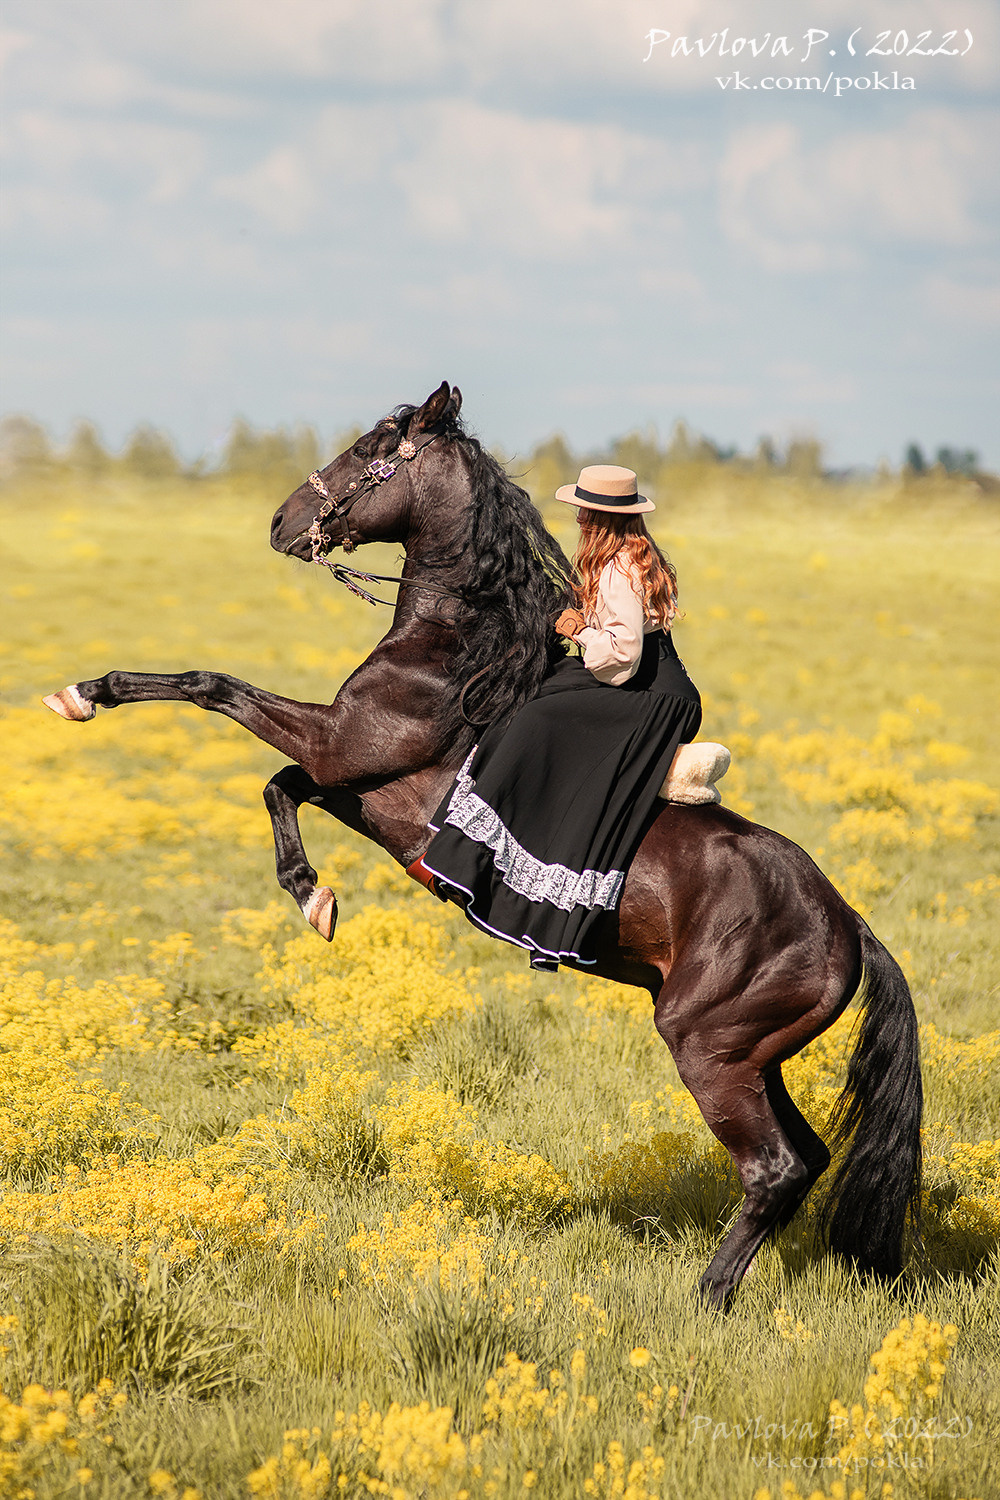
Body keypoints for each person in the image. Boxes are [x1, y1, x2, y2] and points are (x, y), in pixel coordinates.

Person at [422, 465, 703, 971]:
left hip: (647, 691)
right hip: (652, 682)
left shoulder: (618, 565)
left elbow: (622, 657)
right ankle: (469, 848)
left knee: (537, 719)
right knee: (538, 692)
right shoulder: (629, 554)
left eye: (582, 509)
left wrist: (578, 631)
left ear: (598, 517)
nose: (575, 515)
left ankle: (487, 860)